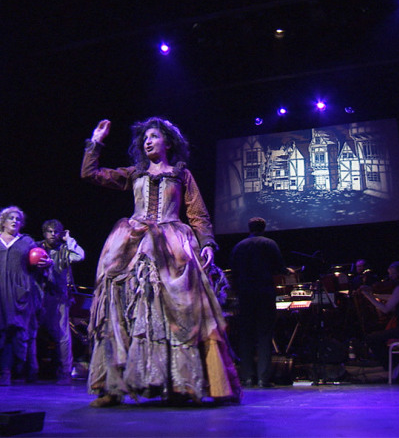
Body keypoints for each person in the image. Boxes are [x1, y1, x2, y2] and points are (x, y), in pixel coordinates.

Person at [81, 118, 240, 407]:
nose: (148, 141)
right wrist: (96, 142)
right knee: (121, 311)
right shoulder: (133, 173)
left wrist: (207, 244)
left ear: (168, 142)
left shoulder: (181, 175)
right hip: (133, 244)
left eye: (154, 136)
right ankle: (113, 387)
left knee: (180, 313)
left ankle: (180, 383)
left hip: (172, 245)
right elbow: (89, 173)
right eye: (144, 138)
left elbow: (198, 214)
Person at [230, 217, 287, 388]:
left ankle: (247, 377)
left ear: (249, 228)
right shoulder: (270, 244)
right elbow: (279, 267)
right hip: (264, 293)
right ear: (264, 228)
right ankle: (263, 378)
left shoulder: (239, 246)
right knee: (264, 335)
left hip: (245, 294)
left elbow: (233, 270)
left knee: (246, 336)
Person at [0, 206, 48, 385]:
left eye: (17, 219)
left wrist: (46, 263)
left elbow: (40, 261)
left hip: (19, 291)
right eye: (10, 218)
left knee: (15, 330)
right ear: (3, 221)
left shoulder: (26, 242)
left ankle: (9, 370)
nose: (14, 221)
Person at [34, 219, 85, 384]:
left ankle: (64, 373)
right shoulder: (36, 247)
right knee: (30, 333)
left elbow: (80, 256)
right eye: (49, 231)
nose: (53, 234)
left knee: (63, 335)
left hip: (57, 298)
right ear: (44, 233)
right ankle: (28, 371)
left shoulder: (64, 250)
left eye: (56, 231)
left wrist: (69, 240)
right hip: (37, 296)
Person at [360, 261, 399, 373]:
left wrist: (368, 296)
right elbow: (393, 297)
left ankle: (394, 367)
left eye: (393, 274)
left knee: (371, 338)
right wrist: (374, 295)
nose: (390, 277)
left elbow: (385, 309)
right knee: (378, 337)